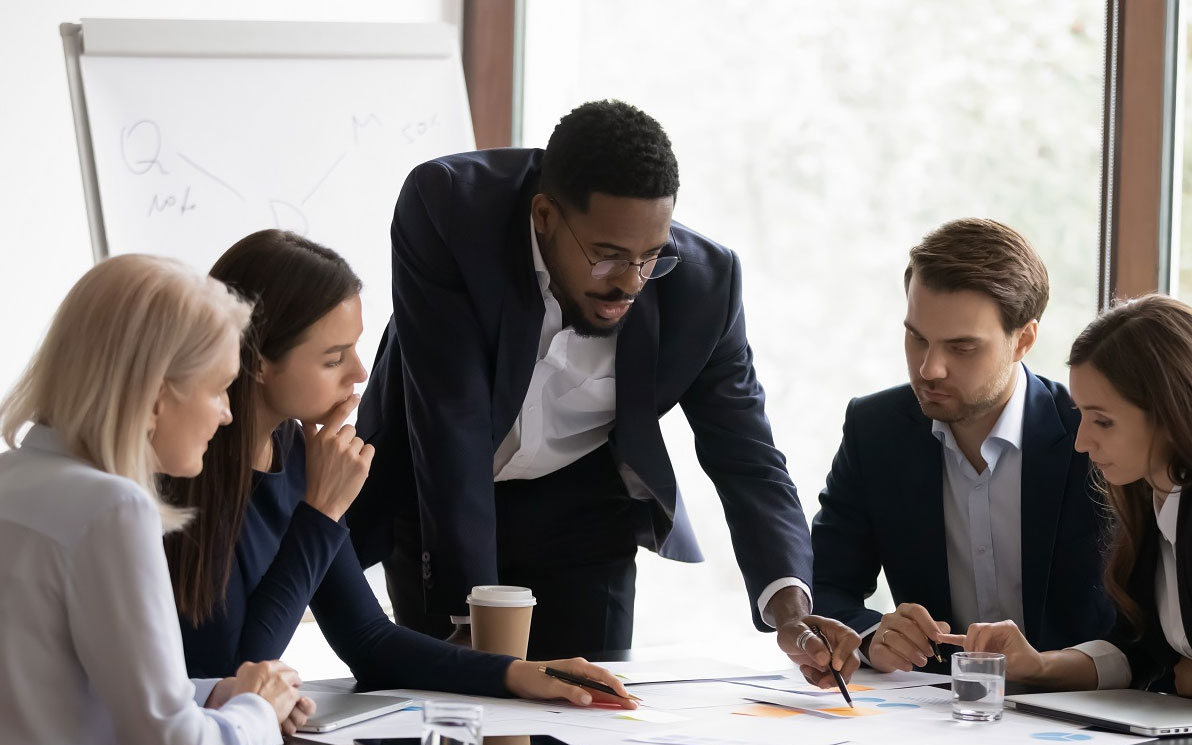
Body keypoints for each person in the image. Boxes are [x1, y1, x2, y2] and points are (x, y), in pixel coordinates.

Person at [349, 98, 858, 685]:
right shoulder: (449, 210)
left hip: (583, 512)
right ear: (544, 216)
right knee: (451, 711)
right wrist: (472, 618)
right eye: (608, 256)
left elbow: (747, 455)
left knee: (591, 715)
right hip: (441, 497)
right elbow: (450, 418)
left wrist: (793, 613)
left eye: (651, 257)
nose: (630, 283)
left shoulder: (704, 286)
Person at [164, 229, 636, 707]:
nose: (360, 373)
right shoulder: (184, 471)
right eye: (333, 359)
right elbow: (231, 678)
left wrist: (519, 674)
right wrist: (322, 511)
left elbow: (368, 640)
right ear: (258, 361)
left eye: (353, 348)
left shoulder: (298, 451)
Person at [0, 255, 307, 745]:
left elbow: (66, 694)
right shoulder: (112, 508)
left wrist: (212, 694)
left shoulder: (5, 478)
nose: (228, 413)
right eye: (218, 388)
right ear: (158, 394)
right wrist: (258, 711)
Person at [811, 219, 1113, 673]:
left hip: (1076, 709)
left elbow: (1140, 626)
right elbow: (824, 583)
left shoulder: (1091, 436)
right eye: (917, 338)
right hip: (932, 712)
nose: (930, 368)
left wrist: (1047, 668)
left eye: (962, 347)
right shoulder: (875, 429)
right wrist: (873, 637)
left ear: (1024, 340)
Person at [939, 294, 1192, 695]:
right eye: (1082, 416)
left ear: (1172, 411)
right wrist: (1037, 665)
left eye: (1103, 422)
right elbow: (1137, 652)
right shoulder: (1149, 504)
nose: (1081, 442)